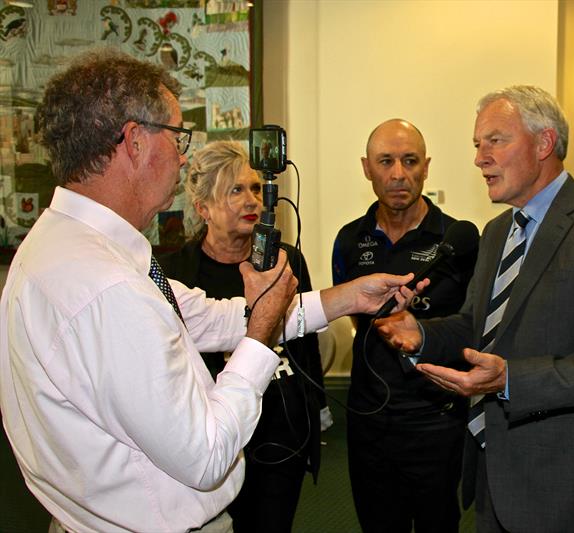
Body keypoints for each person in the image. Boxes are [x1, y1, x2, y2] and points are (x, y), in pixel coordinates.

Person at [0, 48, 422, 533]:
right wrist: (261, 333)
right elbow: (205, 455)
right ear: (134, 141)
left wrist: (349, 296)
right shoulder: (104, 286)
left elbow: (213, 317)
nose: (182, 157)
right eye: (177, 137)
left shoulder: (71, 245)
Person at [376, 86, 574, 533]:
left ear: (544, 143)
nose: (480, 157)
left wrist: (511, 379)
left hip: (559, 475)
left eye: (495, 140)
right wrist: (420, 333)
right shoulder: (498, 229)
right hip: (492, 464)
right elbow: (476, 326)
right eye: (476, 145)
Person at [159, 140, 327, 533]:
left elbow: (304, 339)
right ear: (203, 208)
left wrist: (315, 409)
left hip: (280, 432)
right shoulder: (176, 274)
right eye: (236, 190)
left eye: (255, 188)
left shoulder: (285, 260)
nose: (252, 200)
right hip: (210, 438)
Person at [332, 119, 478, 533]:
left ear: (426, 167)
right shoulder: (348, 240)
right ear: (367, 168)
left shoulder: (459, 240)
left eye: (410, 161)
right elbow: (353, 319)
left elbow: (474, 326)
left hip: (436, 416)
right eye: (386, 161)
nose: (398, 173)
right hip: (368, 415)